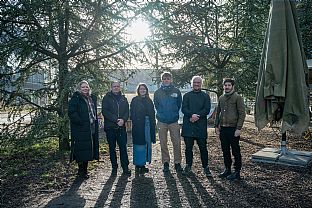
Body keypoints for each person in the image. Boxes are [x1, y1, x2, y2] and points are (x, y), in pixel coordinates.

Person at [214, 78, 246, 180]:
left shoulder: (238, 98)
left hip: (233, 129)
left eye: (229, 85)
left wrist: (238, 128)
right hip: (223, 129)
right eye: (225, 85)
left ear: (232, 86)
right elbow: (217, 112)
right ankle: (227, 169)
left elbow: (242, 114)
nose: (227, 87)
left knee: (235, 150)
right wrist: (216, 126)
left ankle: (237, 172)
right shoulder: (221, 98)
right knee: (225, 150)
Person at [68, 80, 99, 179]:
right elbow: (72, 112)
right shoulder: (76, 98)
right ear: (79, 88)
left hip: (91, 127)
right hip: (81, 128)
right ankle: (81, 171)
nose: (85, 88)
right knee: (81, 149)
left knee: (87, 148)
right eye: (83, 87)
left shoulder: (91, 98)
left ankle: (84, 171)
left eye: (86, 87)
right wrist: (81, 122)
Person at [181, 76, 212, 177]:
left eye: (199, 83)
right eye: (195, 83)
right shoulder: (186, 96)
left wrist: (197, 116)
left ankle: (206, 167)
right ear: (192, 84)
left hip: (200, 126)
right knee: (188, 148)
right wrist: (191, 115)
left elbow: (207, 109)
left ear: (201, 84)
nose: (197, 84)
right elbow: (184, 109)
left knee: (203, 148)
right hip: (188, 126)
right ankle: (188, 166)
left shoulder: (205, 96)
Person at [154, 71, 183, 172]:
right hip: (162, 121)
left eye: (168, 78)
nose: (166, 80)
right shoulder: (157, 92)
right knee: (163, 143)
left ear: (171, 80)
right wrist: (162, 114)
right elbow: (156, 105)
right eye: (164, 79)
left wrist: (173, 113)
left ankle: (177, 162)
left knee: (177, 142)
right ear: (162, 80)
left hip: (174, 121)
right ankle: (165, 162)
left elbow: (179, 104)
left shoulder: (176, 91)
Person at [102, 81, 131, 175]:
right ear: (111, 87)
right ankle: (114, 168)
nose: (116, 88)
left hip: (121, 127)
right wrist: (116, 120)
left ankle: (125, 167)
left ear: (120, 87)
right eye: (114, 86)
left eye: (118, 86)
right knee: (112, 148)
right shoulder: (106, 98)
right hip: (110, 127)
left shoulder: (123, 98)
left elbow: (127, 111)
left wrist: (123, 119)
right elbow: (105, 111)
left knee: (123, 147)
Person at [130, 83, 156, 175]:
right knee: (139, 145)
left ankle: (143, 165)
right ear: (138, 90)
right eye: (141, 89)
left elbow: (152, 114)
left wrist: (153, 126)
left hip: (148, 125)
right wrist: (137, 124)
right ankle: (138, 165)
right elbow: (132, 114)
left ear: (146, 90)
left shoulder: (149, 101)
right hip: (138, 126)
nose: (142, 90)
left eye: (144, 89)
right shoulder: (135, 100)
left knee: (147, 144)